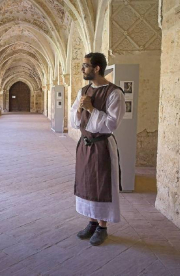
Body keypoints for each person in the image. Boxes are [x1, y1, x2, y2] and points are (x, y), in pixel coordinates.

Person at [70, 53, 125, 246]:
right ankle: (91, 222)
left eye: (85, 66)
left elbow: (112, 124)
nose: (82, 69)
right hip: (85, 145)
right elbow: (74, 120)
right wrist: (79, 110)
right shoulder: (83, 90)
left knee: (102, 184)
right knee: (87, 183)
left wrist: (92, 109)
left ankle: (102, 227)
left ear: (97, 68)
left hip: (102, 145)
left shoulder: (114, 93)